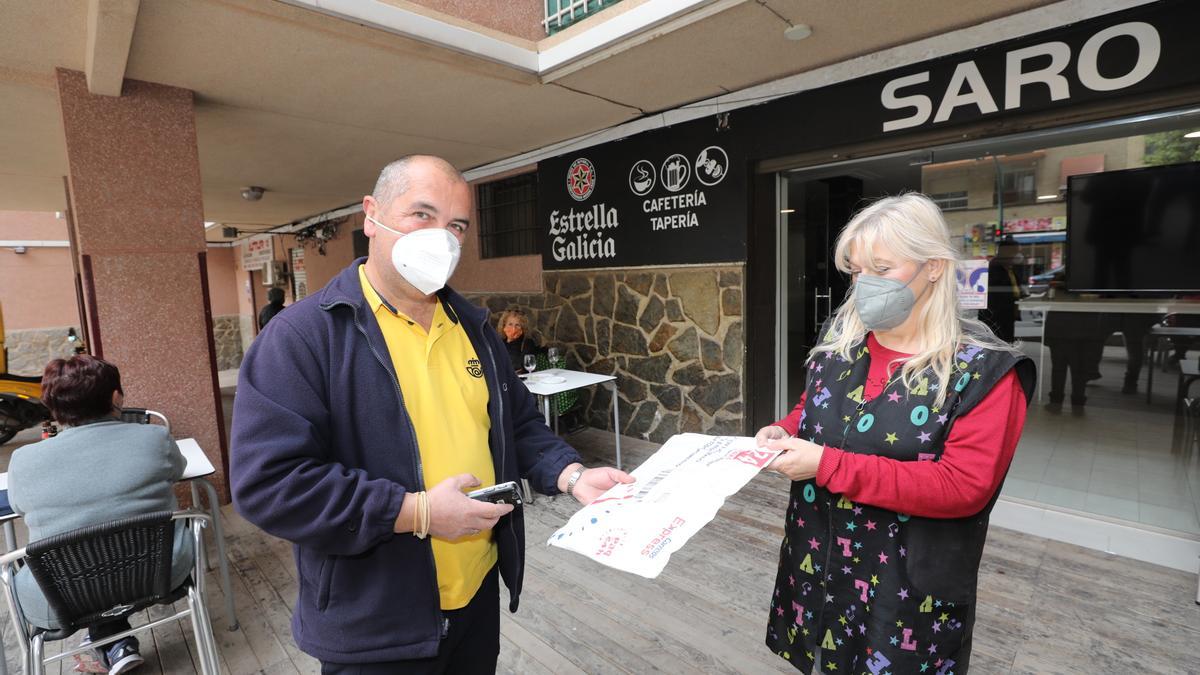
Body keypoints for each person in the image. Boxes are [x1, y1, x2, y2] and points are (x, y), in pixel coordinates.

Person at [230, 155, 632, 673]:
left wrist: (571, 473)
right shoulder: (301, 339)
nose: (441, 238)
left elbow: (517, 424)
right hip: (375, 623)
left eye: (457, 225)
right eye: (423, 214)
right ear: (372, 215)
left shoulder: (475, 328)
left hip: (477, 595)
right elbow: (270, 484)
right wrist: (416, 512)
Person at [755, 194, 1035, 674]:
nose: (864, 285)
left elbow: (963, 487)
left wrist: (825, 464)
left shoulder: (985, 370)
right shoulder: (839, 339)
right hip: (820, 562)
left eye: (882, 269)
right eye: (856, 270)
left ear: (933, 267)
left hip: (905, 584)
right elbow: (814, 409)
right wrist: (780, 431)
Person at [7, 355, 194, 675]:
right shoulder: (154, 439)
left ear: (53, 408)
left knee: (81, 558)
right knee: (116, 547)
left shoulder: (23, 462)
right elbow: (178, 470)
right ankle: (113, 642)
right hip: (159, 574)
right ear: (116, 397)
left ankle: (109, 642)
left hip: (60, 599)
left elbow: (18, 507)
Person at [978, 239, 1023, 343]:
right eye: (1014, 252)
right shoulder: (992, 268)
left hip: (1008, 314)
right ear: (1004, 252)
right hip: (995, 317)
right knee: (999, 344)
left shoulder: (1010, 267)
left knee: (1007, 342)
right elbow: (994, 294)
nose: (1016, 255)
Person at [497, 308, 541, 372]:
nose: (513, 328)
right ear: (504, 326)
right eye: (510, 324)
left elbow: (520, 365)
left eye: (517, 325)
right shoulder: (500, 343)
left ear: (523, 328)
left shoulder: (527, 343)